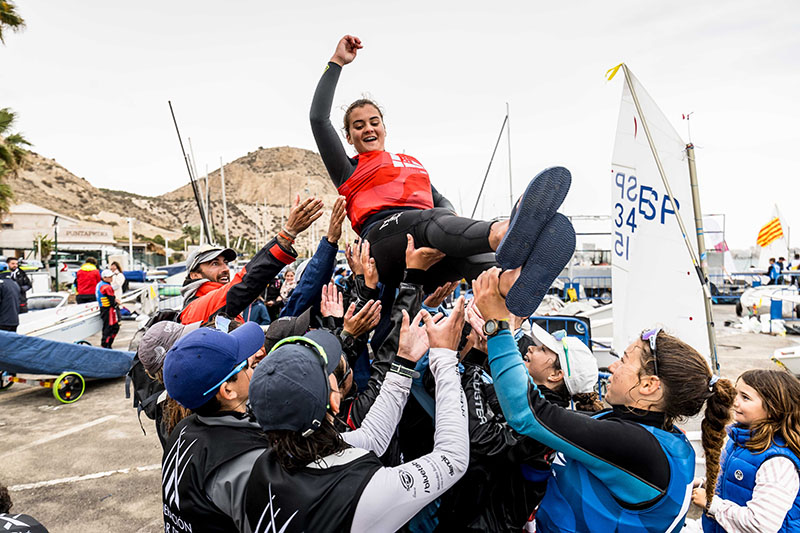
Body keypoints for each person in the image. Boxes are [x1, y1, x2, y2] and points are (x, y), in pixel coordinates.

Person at [310, 34, 575, 315]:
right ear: (349, 137)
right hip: (381, 245)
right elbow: (318, 119)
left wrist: (450, 223)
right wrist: (337, 61)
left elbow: (441, 201)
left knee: (468, 251)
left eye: (374, 123)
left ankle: (507, 281)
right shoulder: (347, 168)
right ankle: (504, 231)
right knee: (429, 221)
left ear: (385, 128)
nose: (368, 129)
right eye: (359, 126)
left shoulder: (410, 163)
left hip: (429, 243)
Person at [472, 266, 736, 532]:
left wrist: (498, 326)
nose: (611, 367)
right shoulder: (652, 435)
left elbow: (529, 413)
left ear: (648, 385)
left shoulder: (638, 446)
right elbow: (549, 411)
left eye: (623, 360)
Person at [244, 303, 469, 533]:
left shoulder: (266, 465)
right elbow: (452, 459)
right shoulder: (361, 493)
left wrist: (404, 361)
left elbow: (372, 436)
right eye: (328, 372)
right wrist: (444, 358)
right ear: (334, 402)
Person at [437, 320, 601, 532]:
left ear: (555, 375)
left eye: (542, 349)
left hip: (483, 524)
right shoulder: (529, 400)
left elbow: (483, 440)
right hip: (468, 513)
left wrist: (475, 365)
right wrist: (477, 355)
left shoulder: (546, 421)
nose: (531, 347)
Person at [160, 322, 268, 533]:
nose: (252, 359)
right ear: (227, 390)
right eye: (245, 364)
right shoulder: (245, 465)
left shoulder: (182, 430)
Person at [179, 195, 323, 325]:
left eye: (226, 263)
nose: (225, 269)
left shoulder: (216, 304)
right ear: (195, 275)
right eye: (214, 263)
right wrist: (287, 235)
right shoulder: (196, 307)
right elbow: (245, 284)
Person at [692, 369, 800, 533]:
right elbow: (737, 486)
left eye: (745, 397)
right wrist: (702, 484)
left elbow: (761, 524)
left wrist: (711, 504)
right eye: (736, 394)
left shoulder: (778, 462)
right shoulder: (739, 441)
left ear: (773, 408)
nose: (735, 402)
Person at [96, 269, 120, 348]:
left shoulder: (100, 284)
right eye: (109, 277)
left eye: (111, 276)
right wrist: (117, 302)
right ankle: (106, 345)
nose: (111, 278)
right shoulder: (106, 287)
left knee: (112, 327)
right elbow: (111, 300)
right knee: (110, 327)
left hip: (104, 308)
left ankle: (107, 344)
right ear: (104, 278)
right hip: (107, 309)